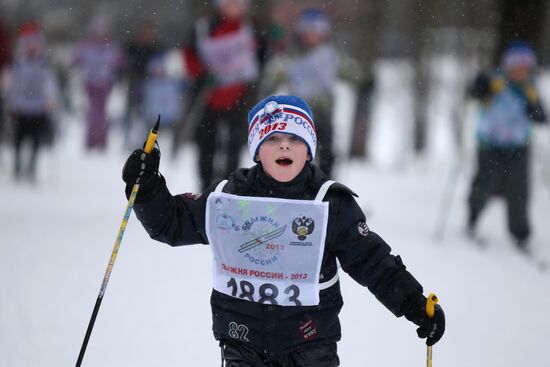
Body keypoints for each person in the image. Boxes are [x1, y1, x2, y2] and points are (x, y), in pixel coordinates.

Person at [122, 95, 445, 366]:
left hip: (311, 341)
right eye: (273, 139)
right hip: (241, 340)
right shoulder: (232, 196)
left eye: (295, 139)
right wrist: (147, 187)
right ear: (257, 151)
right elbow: (173, 223)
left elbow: (373, 263)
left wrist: (414, 304)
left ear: (309, 150)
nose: (284, 147)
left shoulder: (328, 203)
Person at [261, 8, 363, 177]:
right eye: (308, 29)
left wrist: (362, 79)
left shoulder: (331, 55)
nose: (312, 34)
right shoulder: (290, 55)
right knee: (298, 156)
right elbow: (273, 76)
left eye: (317, 29)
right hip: (297, 117)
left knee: (327, 155)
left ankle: (327, 191)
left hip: (324, 113)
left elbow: (352, 73)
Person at [467, 41, 547, 250]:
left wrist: (534, 110)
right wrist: (479, 86)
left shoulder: (530, 89)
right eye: (516, 68)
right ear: (508, 67)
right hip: (490, 144)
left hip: (518, 148)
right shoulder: (495, 81)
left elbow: (541, 117)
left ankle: (521, 233)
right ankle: (473, 217)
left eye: (525, 68)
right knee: (484, 184)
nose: (520, 72)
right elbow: (474, 94)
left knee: (519, 190)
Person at [179, 0, 267, 189]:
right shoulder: (204, 26)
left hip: (239, 96)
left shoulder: (252, 26)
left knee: (233, 146)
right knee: (206, 146)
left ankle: (229, 187)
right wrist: (201, 73)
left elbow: (263, 56)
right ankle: (205, 187)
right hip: (208, 96)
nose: (234, 6)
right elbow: (189, 54)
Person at [5, 22, 58, 182]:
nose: (31, 49)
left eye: (34, 46)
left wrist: (51, 99)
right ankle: (17, 168)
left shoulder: (43, 66)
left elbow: (49, 85)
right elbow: (11, 85)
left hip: (38, 110)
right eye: (28, 46)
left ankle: (31, 169)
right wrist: (11, 100)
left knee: (35, 141)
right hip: (20, 109)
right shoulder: (18, 65)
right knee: (18, 141)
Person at [72, 15, 125, 151]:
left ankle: (102, 140)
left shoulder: (111, 48)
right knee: (92, 112)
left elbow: (120, 63)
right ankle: (90, 140)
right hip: (90, 82)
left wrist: (118, 71)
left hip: (105, 84)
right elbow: (76, 59)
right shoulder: (86, 46)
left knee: (102, 113)